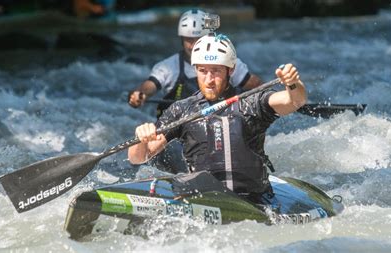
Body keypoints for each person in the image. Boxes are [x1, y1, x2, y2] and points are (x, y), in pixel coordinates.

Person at [128, 33, 307, 203]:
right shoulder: (182, 110)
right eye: (203, 71)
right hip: (204, 200)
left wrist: (293, 83)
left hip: (254, 200)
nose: (209, 79)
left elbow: (295, 101)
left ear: (231, 70)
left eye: (216, 71)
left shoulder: (252, 102)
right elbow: (138, 158)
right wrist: (141, 138)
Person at [127, 9, 263, 117]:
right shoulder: (168, 67)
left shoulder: (228, 63)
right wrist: (140, 94)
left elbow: (257, 87)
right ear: (181, 39)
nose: (192, 46)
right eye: (188, 39)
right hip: (178, 128)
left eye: (197, 39)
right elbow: (149, 86)